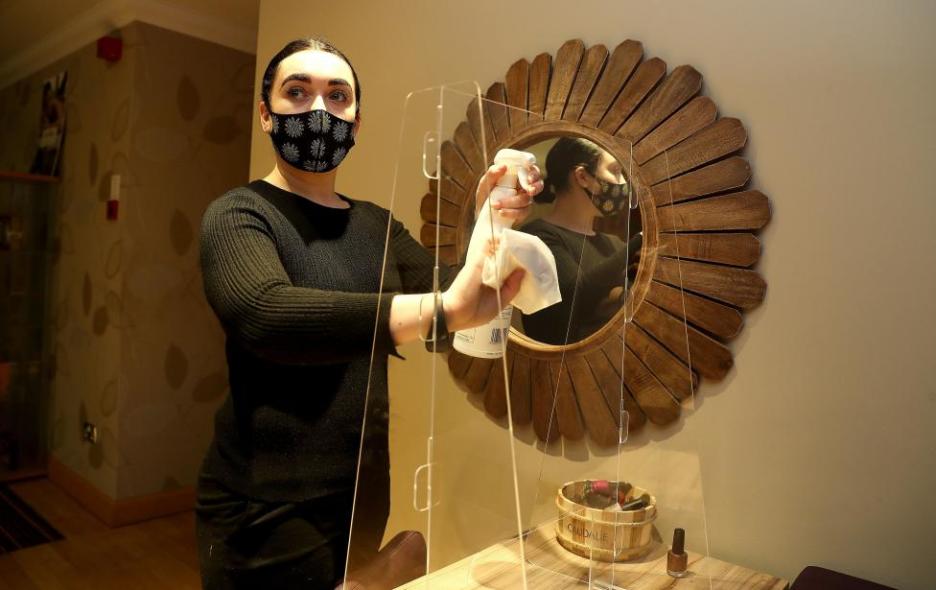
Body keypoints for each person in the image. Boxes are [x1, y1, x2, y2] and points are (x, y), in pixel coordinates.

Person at [194, 38, 542, 589]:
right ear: (265, 114)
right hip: (262, 507)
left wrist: (491, 218)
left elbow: (455, 298)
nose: (318, 109)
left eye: (337, 96)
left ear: (355, 124)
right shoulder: (239, 214)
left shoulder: (376, 227)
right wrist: (442, 309)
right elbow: (266, 314)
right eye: (296, 91)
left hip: (360, 492)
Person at [519, 137, 642, 345]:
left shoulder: (612, 243)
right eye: (615, 171)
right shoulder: (537, 235)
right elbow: (576, 296)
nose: (623, 182)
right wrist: (639, 241)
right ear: (583, 177)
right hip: (556, 370)